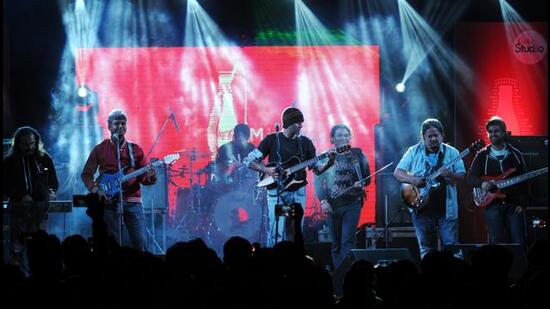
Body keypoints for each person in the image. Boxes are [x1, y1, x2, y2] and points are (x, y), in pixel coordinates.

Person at [245, 106, 336, 247]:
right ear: (288, 123)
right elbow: (249, 162)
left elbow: (317, 169)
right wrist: (267, 170)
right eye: (297, 122)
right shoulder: (271, 140)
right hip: (277, 192)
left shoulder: (305, 143)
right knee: (277, 230)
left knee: (295, 231)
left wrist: (329, 161)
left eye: (301, 122)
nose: (301, 125)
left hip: (298, 193)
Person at [81, 109, 156, 251]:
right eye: (117, 123)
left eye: (123, 123)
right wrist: (97, 190)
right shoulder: (100, 149)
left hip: (132, 202)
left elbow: (144, 178)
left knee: (140, 242)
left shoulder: (135, 149)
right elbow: (86, 175)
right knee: (112, 244)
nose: (121, 126)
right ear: (109, 126)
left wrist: (150, 177)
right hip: (109, 203)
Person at [394, 118, 466, 259]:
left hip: (447, 210)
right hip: (421, 210)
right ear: (423, 137)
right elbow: (398, 173)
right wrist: (413, 179)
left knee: (453, 249)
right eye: (429, 136)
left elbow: (462, 177)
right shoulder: (413, 151)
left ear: (442, 135)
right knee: (426, 250)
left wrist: (450, 174)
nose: (433, 139)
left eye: (436, 135)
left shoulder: (452, 153)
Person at [314, 124, 371, 268]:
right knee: (336, 244)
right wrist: (323, 201)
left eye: (346, 135)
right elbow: (318, 182)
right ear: (332, 139)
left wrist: (361, 183)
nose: (343, 138)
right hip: (332, 205)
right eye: (339, 135)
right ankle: (339, 276)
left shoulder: (358, 154)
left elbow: (367, 178)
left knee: (348, 241)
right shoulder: (325, 156)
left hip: (352, 203)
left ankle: (346, 274)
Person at [467, 116, 527, 245]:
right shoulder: (482, 155)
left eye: (497, 131)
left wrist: (522, 204)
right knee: (496, 243)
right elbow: (470, 178)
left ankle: (519, 265)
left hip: (513, 205)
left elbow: (525, 181)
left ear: (504, 132)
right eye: (491, 131)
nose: (493, 134)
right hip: (491, 205)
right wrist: (481, 183)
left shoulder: (515, 154)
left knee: (519, 242)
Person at [3, 126, 59, 265]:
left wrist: (51, 192)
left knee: (39, 247)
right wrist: (21, 195)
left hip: (40, 211)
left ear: (37, 142)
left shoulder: (45, 159)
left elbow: (54, 182)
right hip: (18, 211)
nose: (30, 147)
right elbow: (4, 185)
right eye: (25, 145)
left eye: (32, 144)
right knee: (17, 247)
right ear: (18, 144)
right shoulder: (9, 161)